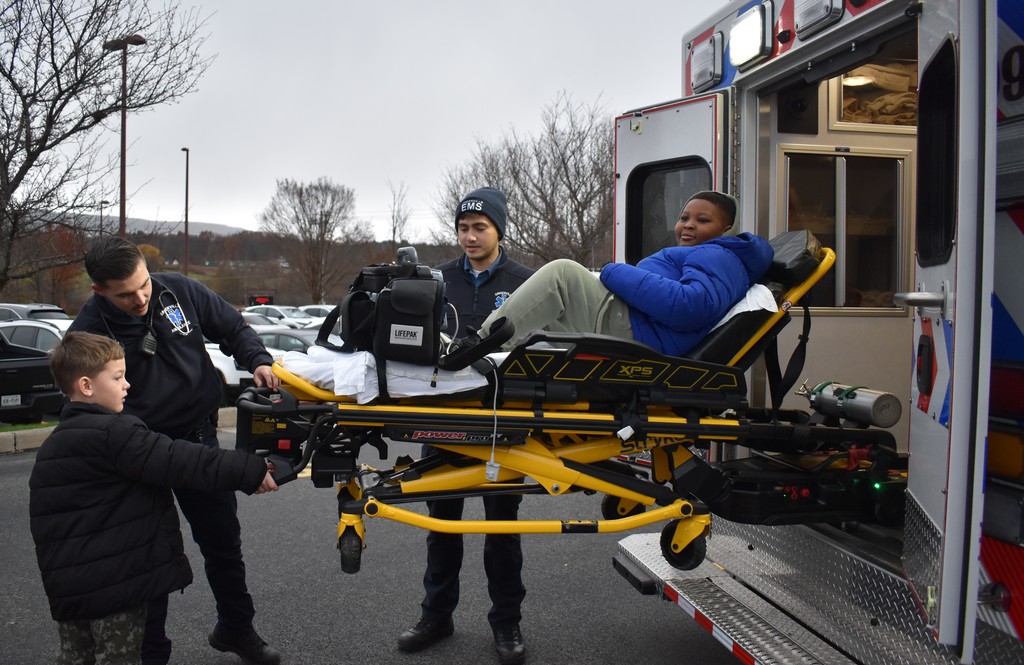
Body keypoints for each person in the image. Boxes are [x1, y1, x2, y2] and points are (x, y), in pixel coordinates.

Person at [68, 237, 283, 665]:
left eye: (144, 285)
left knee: (223, 544)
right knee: (150, 558)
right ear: (99, 291)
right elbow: (80, 406)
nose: (141, 298)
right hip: (138, 453)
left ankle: (236, 628)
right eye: (126, 294)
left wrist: (256, 358)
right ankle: (152, 654)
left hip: (197, 438)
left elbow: (232, 327)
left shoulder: (178, 291)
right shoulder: (88, 331)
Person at [29, 332, 278, 665]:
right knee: (135, 655)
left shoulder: (53, 447)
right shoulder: (115, 434)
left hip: (71, 595)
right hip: (118, 591)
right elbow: (185, 461)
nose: (127, 385)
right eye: (118, 378)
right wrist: (250, 469)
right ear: (86, 386)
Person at [398, 187, 534, 665]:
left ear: (499, 230)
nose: (470, 236)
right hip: (442, 420)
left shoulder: (525, 281)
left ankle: (507, 623)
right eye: (463, 228)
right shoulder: (436, 280)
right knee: (442, 525)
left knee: (502, 528)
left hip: (502, 423)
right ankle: (436, 616)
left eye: (480, 228)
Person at [439, 190, 774, 370]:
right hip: (637, 324)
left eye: (703, 220)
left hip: (639, 331)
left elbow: (690, 307)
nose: (688, 225)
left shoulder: (721, 255)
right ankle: (491, 362)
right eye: (684, 217)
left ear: (726, 229)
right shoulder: (716, 255)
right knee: (547, 321)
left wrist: (615, 272)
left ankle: (474, 349)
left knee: (563, 274)